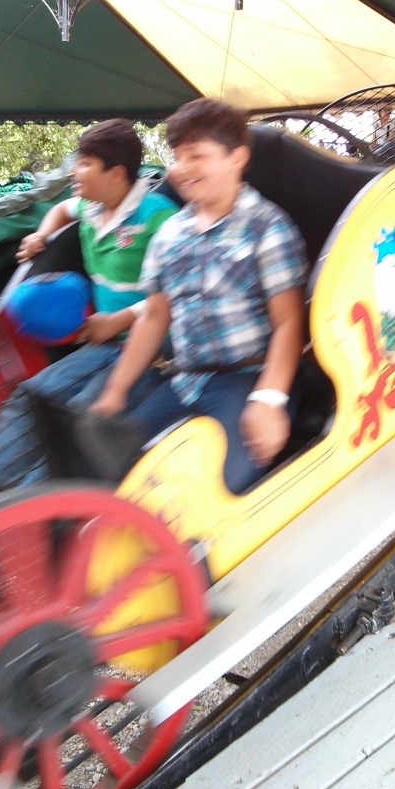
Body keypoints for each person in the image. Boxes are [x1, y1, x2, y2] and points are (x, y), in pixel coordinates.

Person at [88, 98, 307, 494]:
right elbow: (155, 317)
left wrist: (269, 399)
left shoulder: (267, 227)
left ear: (236, 158)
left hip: (247, 380)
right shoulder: (169, 233)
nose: (181, 168)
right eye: (176, 157)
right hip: (185, 380)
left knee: (211, 494)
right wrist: (116, 392)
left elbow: (289, 321)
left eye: (196, 156)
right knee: (113, 473)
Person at [0, 118, 179, 487]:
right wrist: (40, 235)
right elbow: (61, 211)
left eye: (84, 164)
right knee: (29, 398)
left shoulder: (158, 216)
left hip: (152, 352)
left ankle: (17, 513)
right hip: (105, 344)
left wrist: (118, 320)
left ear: (116, 173)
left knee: (76, 423)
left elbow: (179, 292)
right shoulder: (90, 207)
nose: (73, 172)